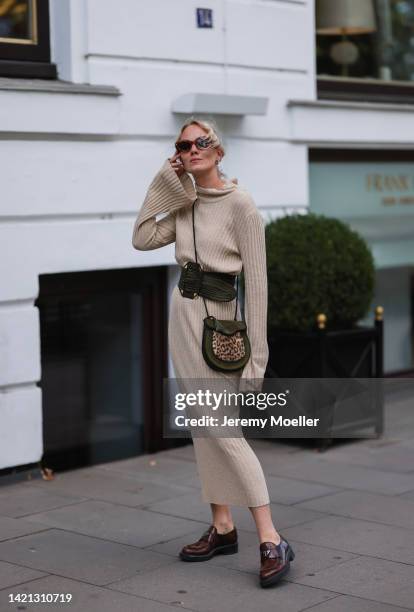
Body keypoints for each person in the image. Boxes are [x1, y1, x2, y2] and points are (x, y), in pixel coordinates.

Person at [132, 117, 295, 588]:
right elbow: (141, 237)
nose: (193, 149)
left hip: (222, 321)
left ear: (219, 151)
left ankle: (271, 536)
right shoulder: (183, 203)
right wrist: (165, 184)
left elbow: (258, 285)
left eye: (202, 142)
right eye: (184, 145)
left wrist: (258, 359)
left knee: (223, 429)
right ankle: (223, 527)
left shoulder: (241, 204)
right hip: (182, 316)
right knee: (203, 425)